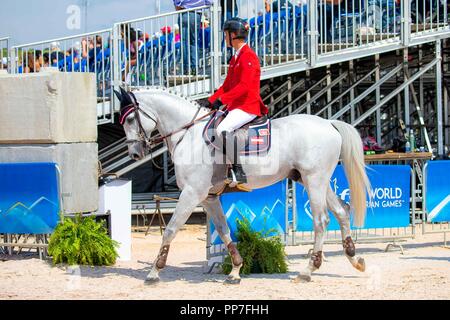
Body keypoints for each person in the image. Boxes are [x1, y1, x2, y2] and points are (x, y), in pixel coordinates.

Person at [207, 17, 268, 187]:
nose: (224, 38)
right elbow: (227, 86)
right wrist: (211, 100)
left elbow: (245, 86)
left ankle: (238, 170)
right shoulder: (235, 58)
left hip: (248, 106)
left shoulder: (248, 56)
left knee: (222, 129)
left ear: (233, 35)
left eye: (226, 34)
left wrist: (222, 100)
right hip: (236, 105)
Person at [173, 0, 213, 75]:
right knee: (194, 42)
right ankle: (194, 67)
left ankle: (186, 68)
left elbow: (177, 2)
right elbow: (209, 2)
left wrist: (178, 5)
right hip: (196, 14)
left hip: (184, 12)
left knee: (184, 43)